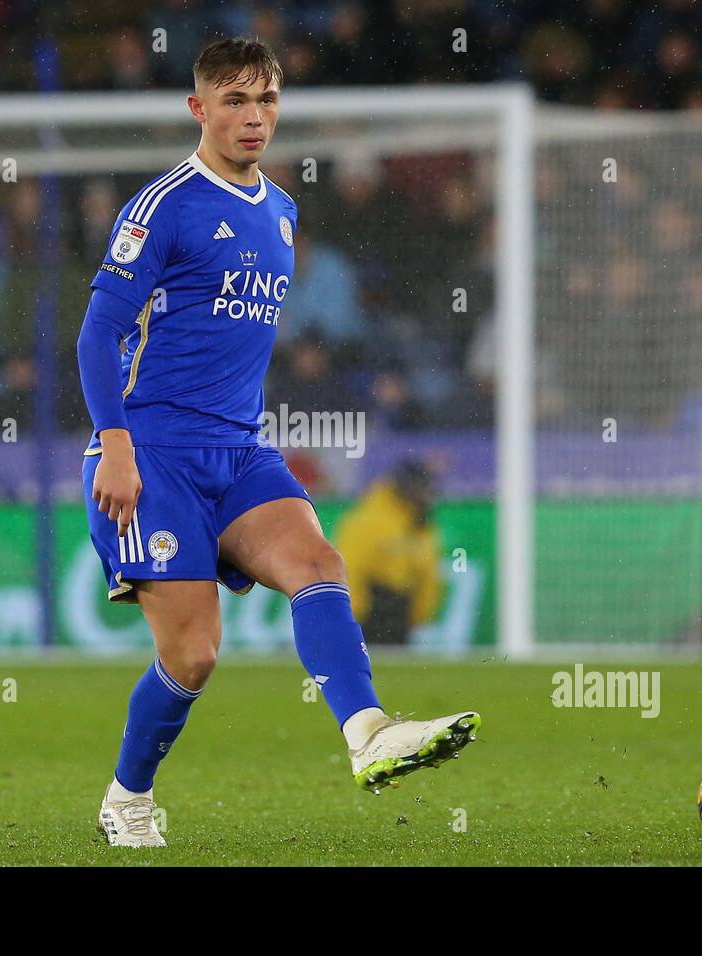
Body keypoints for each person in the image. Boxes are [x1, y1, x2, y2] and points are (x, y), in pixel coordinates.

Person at [76, 38, 479, 848]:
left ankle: (368, 733)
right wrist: (114, 444)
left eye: (265, 101)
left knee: (320, 564)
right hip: (152, 453)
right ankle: (127, 799)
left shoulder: (283, 213)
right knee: (193, 658)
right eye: (233, 101)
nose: (253, 117)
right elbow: (97, 336)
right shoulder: (164, 205)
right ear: (200, 110)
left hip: (242, 449)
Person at [336, 459, 444, 645]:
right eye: (420, 489)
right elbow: (350, 568)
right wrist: (354, 612)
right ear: (404, 488)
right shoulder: (367, 519)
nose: (425, 495)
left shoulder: (420, 523)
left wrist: (420, 612)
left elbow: (429, 574)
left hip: (402, 611)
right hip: (373, 608)